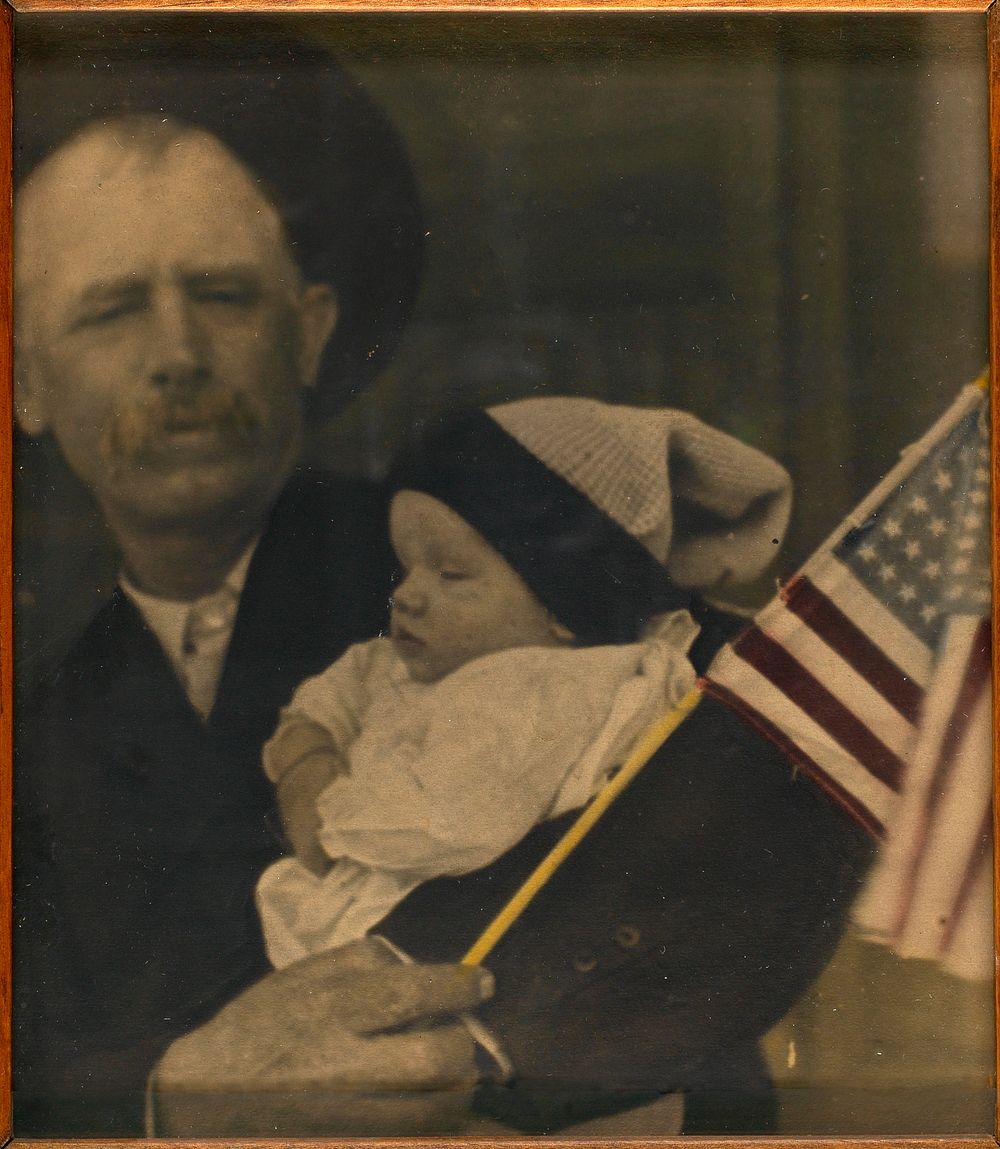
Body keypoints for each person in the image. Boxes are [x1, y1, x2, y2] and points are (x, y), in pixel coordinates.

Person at [13, 32, 875, 1140]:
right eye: (111, 309)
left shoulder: (486, 586)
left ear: (310, 331)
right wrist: (169, 1103)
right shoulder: (42, 699)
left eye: (223, 295)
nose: (177, 353)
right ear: (26, 380)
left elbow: (696, 1005)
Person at [255, 398, 773, 967]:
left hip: (434, 945)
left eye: (450, 574)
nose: (406, 595)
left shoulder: (548, 689)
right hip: (346, 918)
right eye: (406, 567)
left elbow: (439, 827)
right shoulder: (412, 657)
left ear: (562, 608)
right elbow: (334, 695)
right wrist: (310, 738)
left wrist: (314, 788)